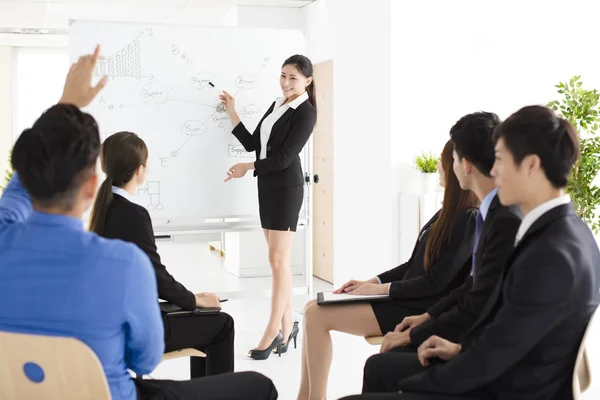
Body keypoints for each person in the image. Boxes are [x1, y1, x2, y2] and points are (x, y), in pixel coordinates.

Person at [0, 45, 277, 400]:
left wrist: (65, 106)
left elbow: (21, 183)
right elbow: (144, 359)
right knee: (260, 387)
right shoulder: (124, 265)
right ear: (90, 184)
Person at [342, 105, 600, 400]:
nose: (493, 170)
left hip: (507, 389)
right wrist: (459, 350)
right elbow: (509, 333)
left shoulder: (551, 255)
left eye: (500, 159)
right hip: (508, 373)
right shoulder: (570, 232)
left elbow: (493, 358)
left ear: (530, 165)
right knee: (381, 370)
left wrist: (412, 387)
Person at [295, 140, 479, 400]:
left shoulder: (467, 219)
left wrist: (379, 289)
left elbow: (434, 283)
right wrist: (370, 281)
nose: (437, 166)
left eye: (441, 160)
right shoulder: (446, 213)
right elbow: (411, 265)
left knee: (316, 316)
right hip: (405, 297)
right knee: (310, 308)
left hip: (417, 307)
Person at [373, 112, 522, 361]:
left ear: (465, 164)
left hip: (482, 350)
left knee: (380, 365)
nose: (446, 168)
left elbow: (478, 299)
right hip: (470, 331)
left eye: (451, 159)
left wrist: (418, 333)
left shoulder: (501, 219)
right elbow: (474, 286)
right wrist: (428, 318)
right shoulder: (493, 212)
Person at [89, 131, 234, 378]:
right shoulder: (133, 214)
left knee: (201, 317)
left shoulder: (101, 210)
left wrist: (190, 299)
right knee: (222, 323)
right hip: (137, 331)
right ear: (139, 170)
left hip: (113, 325)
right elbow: (155, 277)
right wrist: (193, 300)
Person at [219, 55, 317, 360]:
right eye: (284, 76)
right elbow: (254, 144)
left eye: (294, 79)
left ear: (307, 82)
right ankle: (288, 326)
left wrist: (247, 167)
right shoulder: (277, 104)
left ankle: (274, 329)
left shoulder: (306, 113)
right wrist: (232, 112)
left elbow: (285, 157)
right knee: (277, 262)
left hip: (287, 188)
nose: (287, 83)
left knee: (278, 260)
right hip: (267, 188)